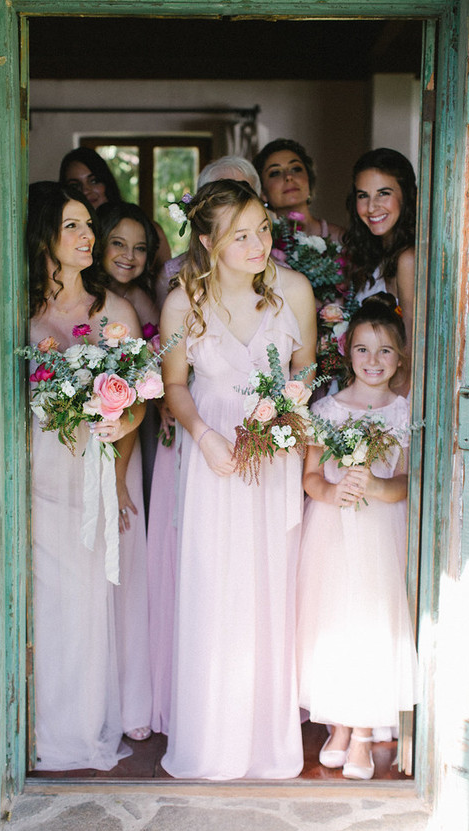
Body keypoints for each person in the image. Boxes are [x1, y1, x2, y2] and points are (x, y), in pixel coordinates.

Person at [159, 179, 317, 779]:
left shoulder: (293, 292)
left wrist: (282, 421)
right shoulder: (182, 304)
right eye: (241, 235)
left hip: (271, 461)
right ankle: (211, 743)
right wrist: (204, 435)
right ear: (208, 242)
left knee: (268, 590)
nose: (259, 245)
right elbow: (175, 386)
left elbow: (308, 372)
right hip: (213, 461)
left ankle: (264, 744)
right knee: (213, 587)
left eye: (264, 231)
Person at [27, 183, 152, 769]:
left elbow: (141, 403)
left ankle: (79, 728)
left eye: (87, 227)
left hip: (92, 476)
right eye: (73, 226)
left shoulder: (113, 311)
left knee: (85, 603)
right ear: (45, 235)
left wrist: (119, 422)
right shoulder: (19, 311)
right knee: (41, 604)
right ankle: (36, 725)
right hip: (37, 476)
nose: (87, 238)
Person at [296, 293, 419, 781]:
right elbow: (309, 478)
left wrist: (375, 485)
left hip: (380, 532)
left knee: (372, 622)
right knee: (333, 622)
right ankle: (340, 724)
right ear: (348, 353)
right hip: (331, 530)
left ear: (400, 357)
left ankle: (366, 730)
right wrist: (334, 492)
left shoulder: (402, 410)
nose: (374, 361)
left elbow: (407, 481)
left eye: (385, 350)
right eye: (364, 349)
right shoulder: (327, 408)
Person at [154, 155, 262, 308]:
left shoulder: (281, 273)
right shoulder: (172, 273)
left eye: (243, 194)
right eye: (222, 196)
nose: (235, 205)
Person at [342, 148, 416, 362]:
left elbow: (410, 349)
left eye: (383, 193)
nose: (372, 207)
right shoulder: (375, 255)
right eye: (363, 195)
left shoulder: (407, 259)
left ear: (405, 196)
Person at [59, 146, 172, 275]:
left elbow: (167, 280)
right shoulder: (67, 236)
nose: (85, 190)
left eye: (94, 181)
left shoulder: (150, 229)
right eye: (75, 185)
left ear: (107, 183)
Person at [253, 138, 343, 243]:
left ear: (309, 179)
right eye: (275, 173)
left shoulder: (341, 238)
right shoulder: (260, 244)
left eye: (295, 169)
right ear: (263, 192)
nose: (288, 176)